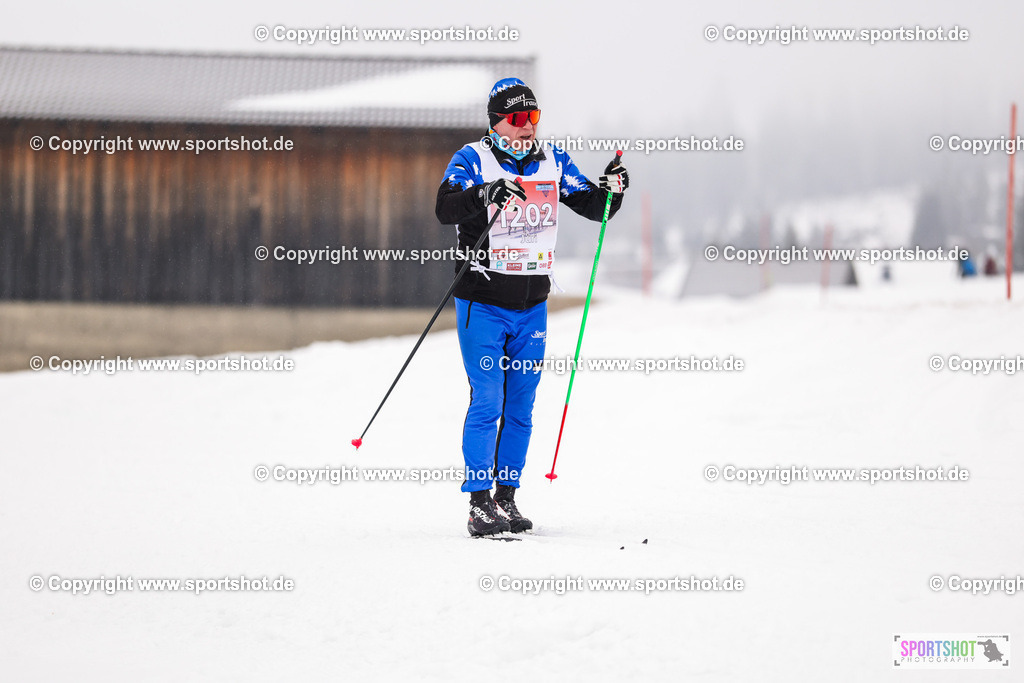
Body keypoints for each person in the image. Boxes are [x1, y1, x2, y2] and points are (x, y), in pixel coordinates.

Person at [435, 78, 628, 537]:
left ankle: (507, 498)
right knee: (488, 399)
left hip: (532, 305)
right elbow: (445, 207)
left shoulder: (553, 161)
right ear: (496, 122)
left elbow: (593, 204)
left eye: (533, 118)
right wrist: (485, 195)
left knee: (521, 405)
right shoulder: (472, 159)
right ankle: (479, 503)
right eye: (517, 119)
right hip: (481, 300)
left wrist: (613, 190)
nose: (527, 127)